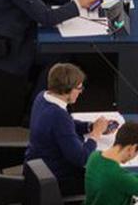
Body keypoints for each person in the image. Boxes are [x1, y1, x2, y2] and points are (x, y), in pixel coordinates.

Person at [26, 63, 112, 194]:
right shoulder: (58, 116)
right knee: (108, 182)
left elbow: (67, 125)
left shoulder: (43, 97)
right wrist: (96, 134)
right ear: (67, 90)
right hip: (54, 181)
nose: (81, 91)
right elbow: (82, 158)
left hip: (37, 170)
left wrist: (90, 126)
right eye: (79, 88)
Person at [84, 122, 138, 205]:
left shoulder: (95, 156)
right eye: (137, 153)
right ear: (132, 148)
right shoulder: (119, 177)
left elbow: (119, 180)